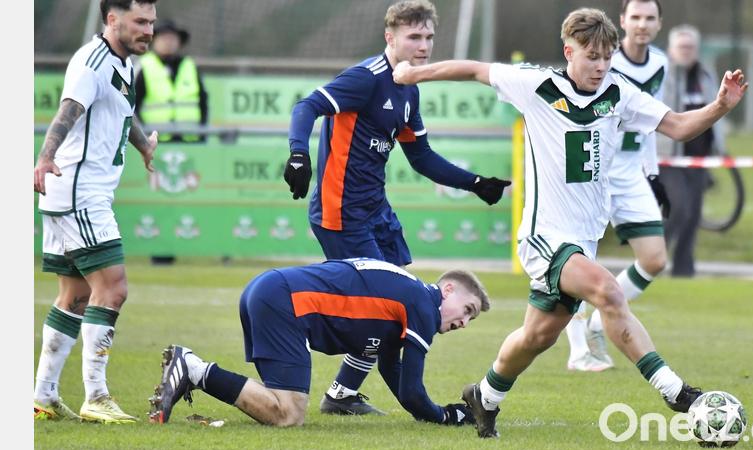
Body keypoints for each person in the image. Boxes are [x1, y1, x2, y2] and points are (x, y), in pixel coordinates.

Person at [393, 7, 747, 438]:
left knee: (536, 337)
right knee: (609, 292)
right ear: (569, 51)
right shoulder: (537, 84)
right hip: (545, 237)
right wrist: (415, 74)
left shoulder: (620, 91)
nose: (600, 65)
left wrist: (719, 106)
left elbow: (677, 126)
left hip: (584, 240)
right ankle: (676, 393)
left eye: (607, 56)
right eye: (591, 55)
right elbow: (472, 68)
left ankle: (483, 397)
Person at [283, 0, 510, 416]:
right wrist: (299, 153)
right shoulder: (367, 79)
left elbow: (421, 158)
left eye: (428, 37)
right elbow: (306, 107)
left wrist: (475, 183)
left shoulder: (410, 88)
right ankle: (362, 398)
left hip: (377, 212)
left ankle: (343, 394)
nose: (423, 46)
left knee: (398, 299)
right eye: (414, 37)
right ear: (390, 37)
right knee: (389, 308)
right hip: (341, 214)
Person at [147, 258, 489, 427]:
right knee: (289, 414)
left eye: (471, 320)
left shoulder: (412, 296)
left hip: (270, 290)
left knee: (280, 406)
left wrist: (432, 414)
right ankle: (193, 369)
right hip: (286, 302)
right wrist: (446, 417)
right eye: (467, 310)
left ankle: (194, 371)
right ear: (447, 291)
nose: (463, 322)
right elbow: (413, 392)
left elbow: (392, 369)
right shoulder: (424, 307)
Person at [33, 0, 159, 423]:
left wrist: (143, 145)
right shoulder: (93, 61)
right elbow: (68, 110)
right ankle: (97, 395)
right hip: (79, 192)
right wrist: (44, 158)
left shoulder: (124, 64)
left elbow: (122, 110)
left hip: (72, 194)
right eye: (140, 22)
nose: (148, 30)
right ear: (112, 19)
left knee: (75, 297)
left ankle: (43, 395)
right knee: (114, 289)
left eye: (151, 22)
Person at [564, 0, 669, 372]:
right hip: (596, 168)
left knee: (655, 258)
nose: (642, 24)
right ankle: (579, 350)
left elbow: (654, 119)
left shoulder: (660, 63)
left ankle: (598, 321)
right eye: (635, 17)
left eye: (650, 17)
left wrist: (654, 174)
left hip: (631, 173)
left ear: (659, 23)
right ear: (622, 21)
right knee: (579, 262)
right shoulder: (604, 60)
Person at [657, 25, 727, 277]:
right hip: (669, 157)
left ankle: (684, 268)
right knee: (679, 208)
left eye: (690, 47)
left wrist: (721, 147)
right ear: (671, 49)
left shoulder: (705, 75)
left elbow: (717, 110)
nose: (686, 51)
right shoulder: (662, 76)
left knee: (693, 215)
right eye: (681, 47)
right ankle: (653, 257)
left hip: (700, 158)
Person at [134, 19, 208, 143]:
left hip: (190, 139)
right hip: (155, 140)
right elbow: (133, 106)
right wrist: (143, 137)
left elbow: (203, 103)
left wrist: (202, 135)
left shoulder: (190, 66)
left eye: (172, 38)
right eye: (164, 38)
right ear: (154, 41)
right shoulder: (144, 66)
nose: (169, 42)